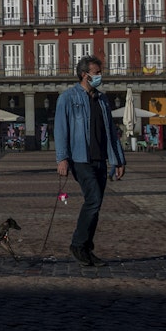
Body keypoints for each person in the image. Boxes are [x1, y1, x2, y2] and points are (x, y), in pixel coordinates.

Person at [55, 55, 126, 267]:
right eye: (96, 73)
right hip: (79, 158)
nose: (100, 76)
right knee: (93, 199)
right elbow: (60, 129)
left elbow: (111, 132)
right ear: (85, 75)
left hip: (99, 159)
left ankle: (86, 248)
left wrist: (118, 160)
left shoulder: (102, 100)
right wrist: (62, 158)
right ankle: (78, 244)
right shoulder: (67, 98)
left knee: (96, 204)